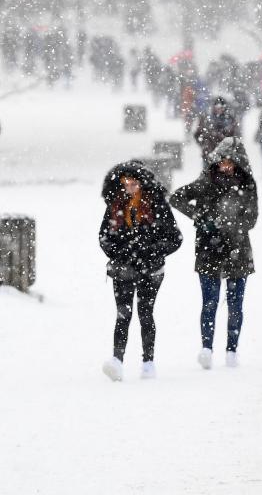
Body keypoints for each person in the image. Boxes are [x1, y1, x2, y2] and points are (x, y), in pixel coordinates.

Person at [170, 137, 258, 370]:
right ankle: (206, 347)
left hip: (238, 250)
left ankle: (232, 350)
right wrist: (201, 218)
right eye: (222, 162)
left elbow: (252, 218)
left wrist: (228, 224)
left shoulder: (247, 184)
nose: (226, 167)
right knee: (209, 302)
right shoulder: (205, 182)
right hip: (209, 249)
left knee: (235, 303)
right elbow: (176, 197)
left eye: (230, 162)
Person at [99, 161, 183, 381]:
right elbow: (104, 237)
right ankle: (117, 359)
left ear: (142, 184)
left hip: (151, 270)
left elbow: (175, 238)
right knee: (123, 314)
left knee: (145, 313)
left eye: (133, 183)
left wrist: (152, 252)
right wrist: (119, 252)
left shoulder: (157, 205)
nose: (129, 187)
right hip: (123, 269)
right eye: (125, 183)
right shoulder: (115, 205)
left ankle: (148, 361)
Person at [194, 96, 240, 168]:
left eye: (221, 107)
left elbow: (236, 137)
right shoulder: (206, 119)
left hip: (225, 156)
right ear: (214, 107)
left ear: (225, 108)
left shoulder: (230, 120)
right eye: (217, 107)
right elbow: (197, 134)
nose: (219, 109)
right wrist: (204, 144)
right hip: (209, 153)